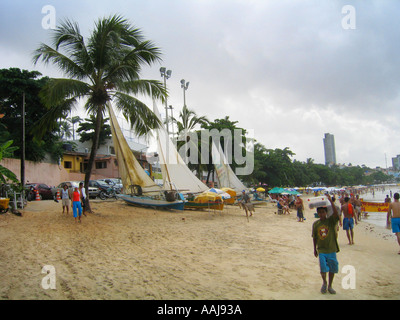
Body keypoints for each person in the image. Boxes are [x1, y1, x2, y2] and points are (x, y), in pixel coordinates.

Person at [312, 194, 340, 294]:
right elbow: (314, 237)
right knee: (323, 268)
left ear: (326, 213)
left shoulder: (331, 221)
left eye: (323, 212)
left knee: (332, 268)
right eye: (319, 213)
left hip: (331, 249)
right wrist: (315, 249)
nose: (321, 214)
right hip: (322, 249)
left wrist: (331, 201)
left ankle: (330, 285)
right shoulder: (316, 224)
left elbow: (336, 214)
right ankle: (324, 282)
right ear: (317, 214)